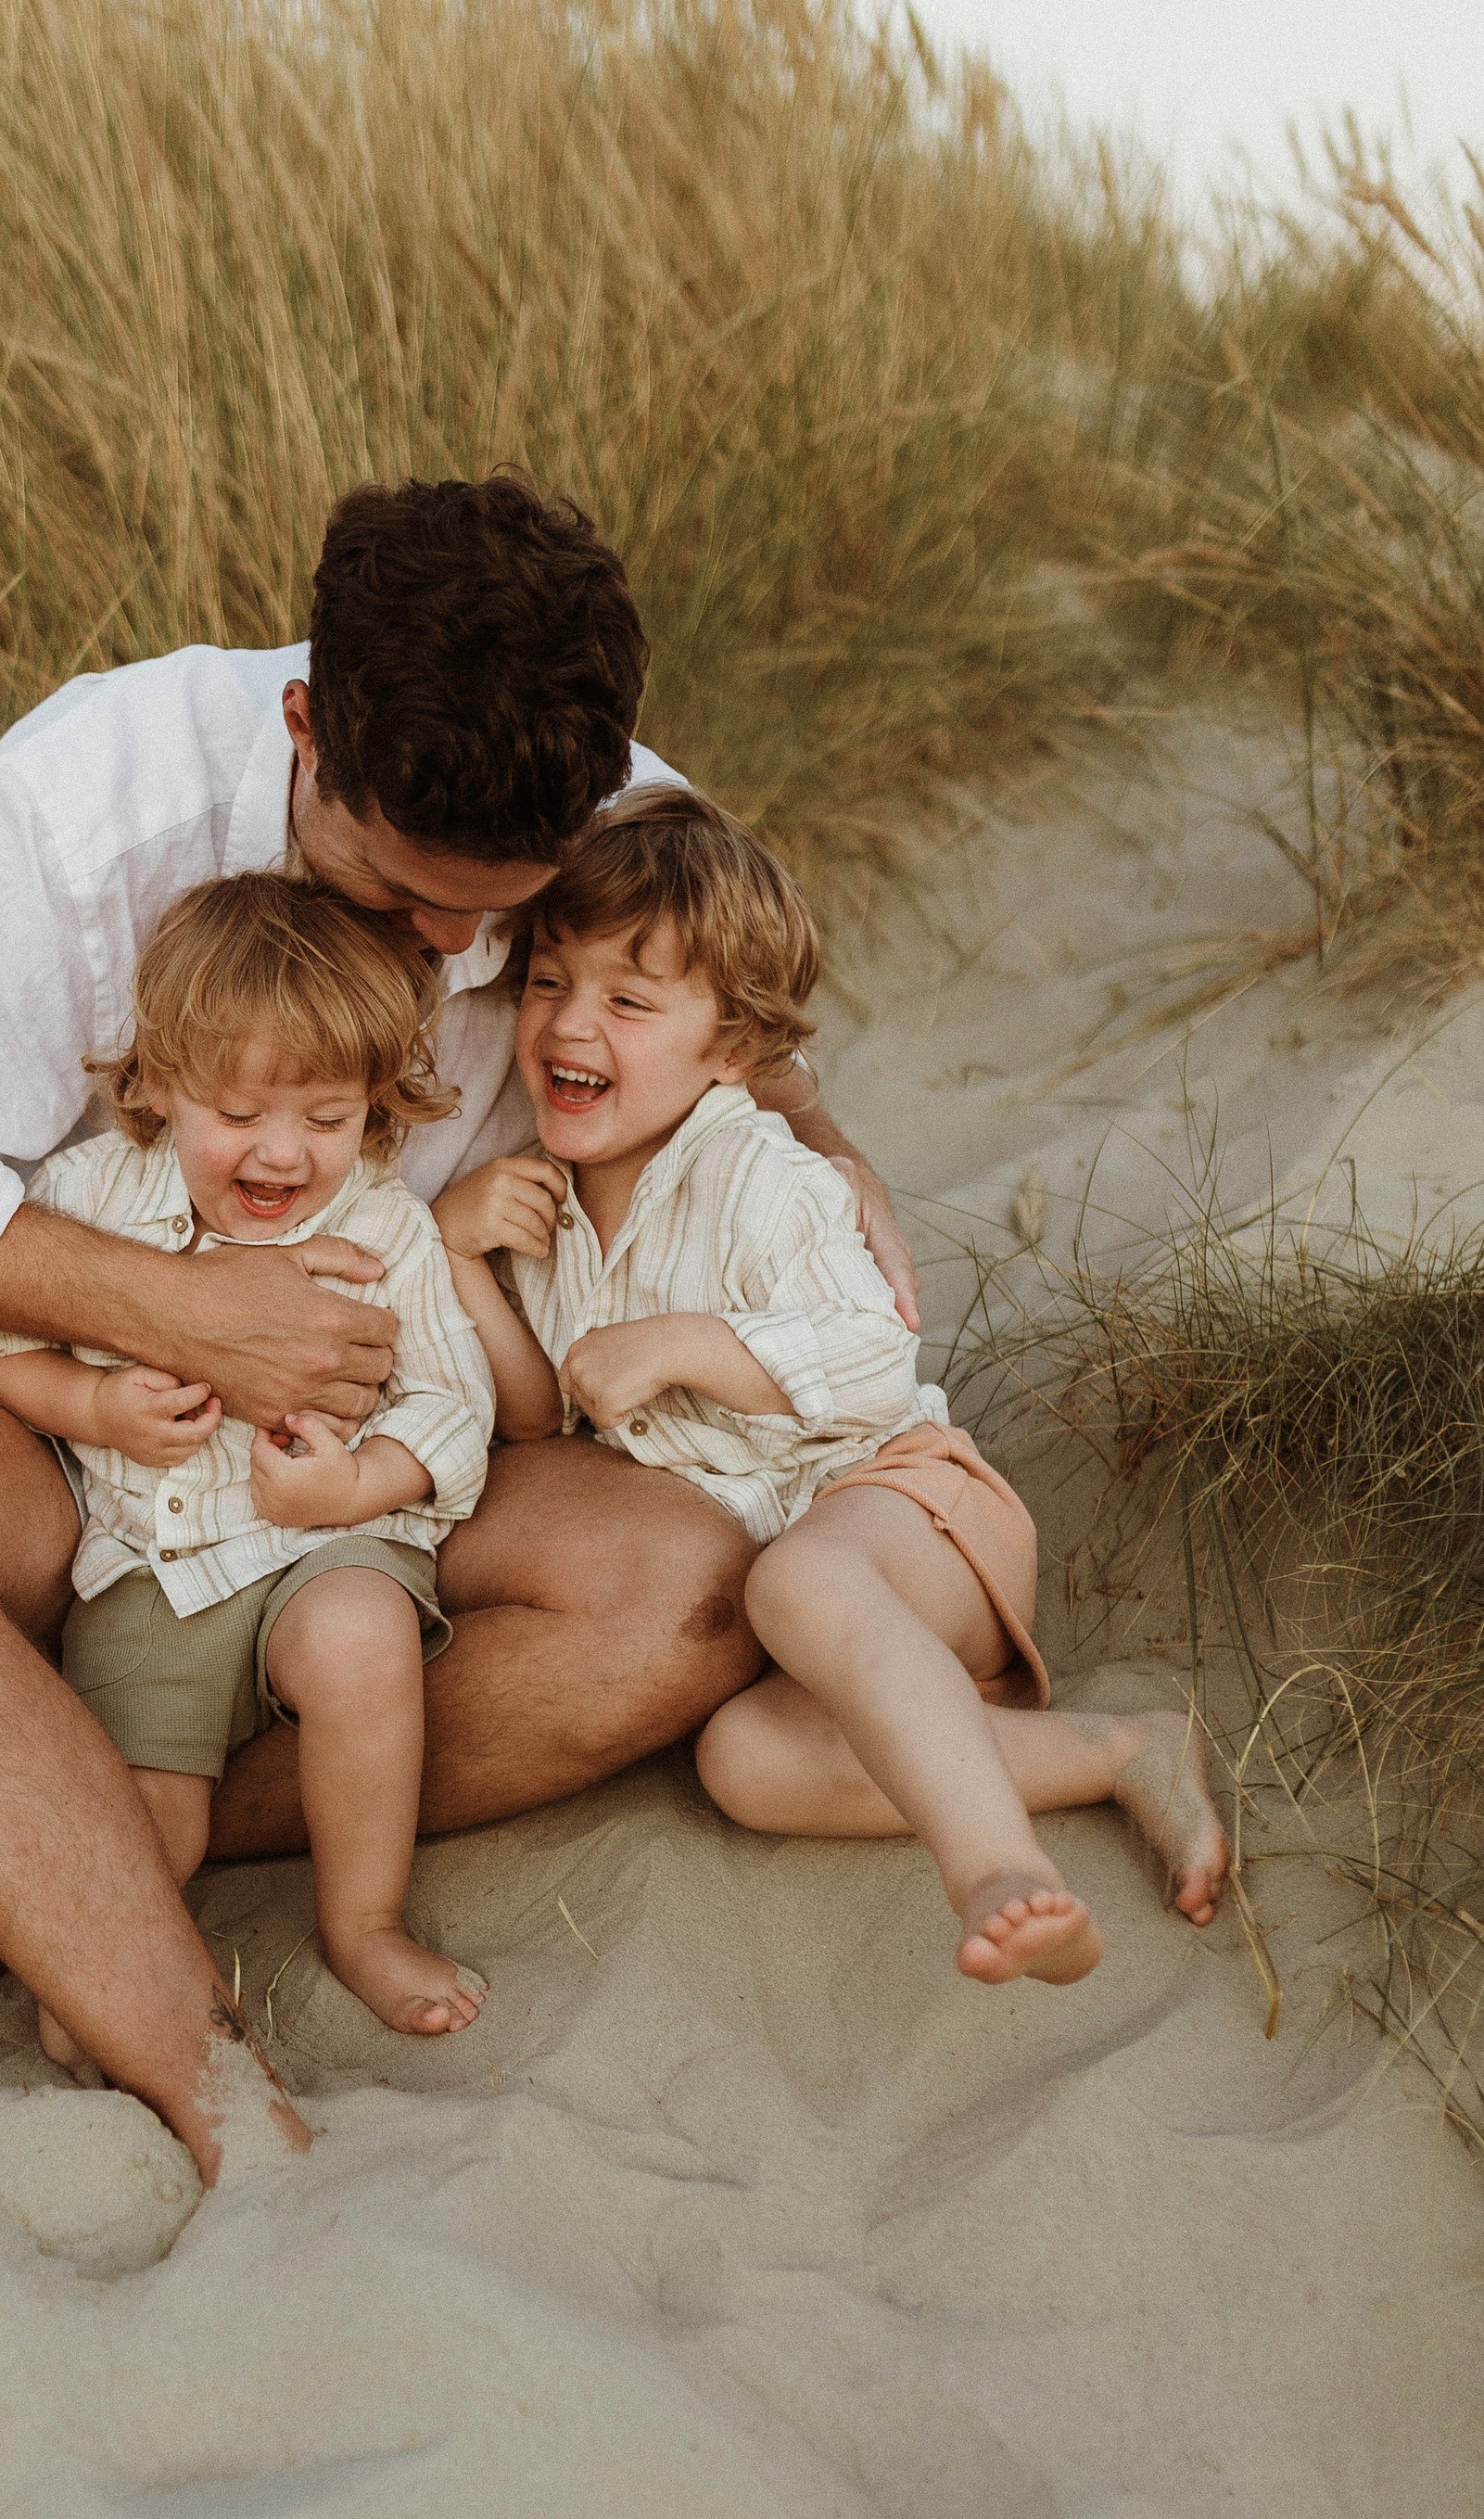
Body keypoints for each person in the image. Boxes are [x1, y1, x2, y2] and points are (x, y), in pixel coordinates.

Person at [0, 477, 916, 2181]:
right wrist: (180, 1311)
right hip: (86, 1419)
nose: (454, 951)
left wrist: (830, 1147)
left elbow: (739, 1039)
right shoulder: (90, 811)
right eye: (405, 894)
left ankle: (49, 1829)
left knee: (691, 1589)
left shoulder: (624, 811)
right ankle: (210, 2088)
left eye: (497, 913)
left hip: (393, 1459)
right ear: (306, 731)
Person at [438, 788, 1230, 1986]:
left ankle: (995, 1869)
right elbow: (538, 1421)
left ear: (734, 1050)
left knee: (805, 1579)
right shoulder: (536, 1202)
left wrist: (690, 1342)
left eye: (628, 1001)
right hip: (799, 1632)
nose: (569, 1022)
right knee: (745, 1765)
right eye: (548, 981)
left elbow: (871, 1359)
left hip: (905, 1512)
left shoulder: (761, 1175)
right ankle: (1117, 1750)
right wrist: (459, 1256)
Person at [0, 873, 495, 2053]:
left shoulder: (386, 1226)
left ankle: (363, 1925)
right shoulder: (89, 1199)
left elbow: (457, 1404)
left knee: (360, 1639)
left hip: (327, 1539)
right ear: (156, 1082)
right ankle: (97, 1974)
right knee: (158, 1819)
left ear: (373, 1108)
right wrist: (95, 1403)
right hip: (155, 1562)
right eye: (239, 1112)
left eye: (328, 1119)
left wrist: (360, 1484)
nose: (284, 1153)